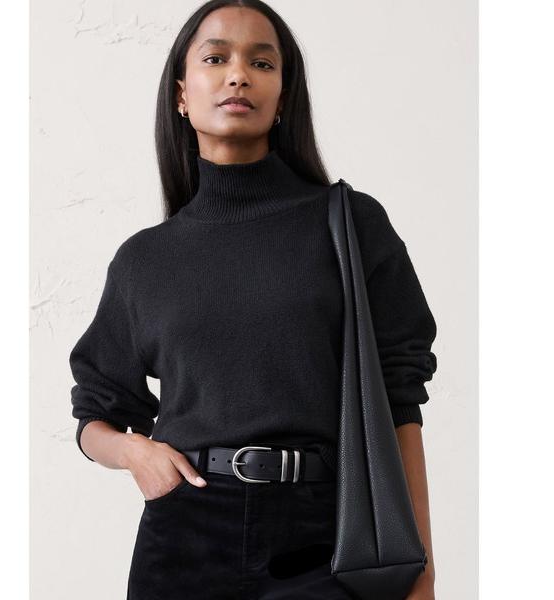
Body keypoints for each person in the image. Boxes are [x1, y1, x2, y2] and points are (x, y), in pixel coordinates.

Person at [69, 1, 438, 599]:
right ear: (182, 94)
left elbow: (400, 398)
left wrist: (419, 568)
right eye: (216, 58)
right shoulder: (145, 260)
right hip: (185, 535)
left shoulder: (350, 224)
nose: (238, 75)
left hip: (326, 538)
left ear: (283, 96)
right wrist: (134, 453)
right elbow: (95, 410)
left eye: (261, 63)